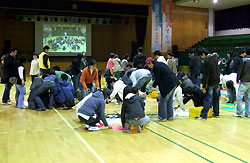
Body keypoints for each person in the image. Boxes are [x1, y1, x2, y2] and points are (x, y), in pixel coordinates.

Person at [195, 50, 220, 120]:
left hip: (211, 82)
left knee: (208, 99)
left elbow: (206, 74)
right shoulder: (215, 58)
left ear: (203, 54)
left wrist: (204, 86)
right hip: (217, 81)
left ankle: (203, 115)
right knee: (216, 98)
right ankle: (216, 113)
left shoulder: (207, 60)